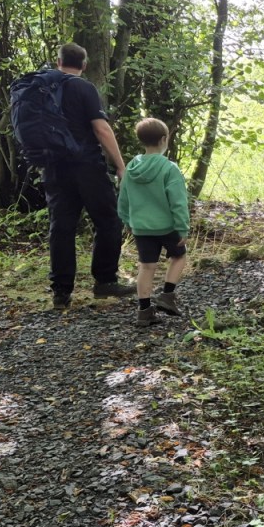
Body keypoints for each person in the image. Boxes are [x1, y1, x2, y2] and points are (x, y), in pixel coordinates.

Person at [43, 43, 135, 309]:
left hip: (53, 167)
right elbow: (101, 129)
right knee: (108, 220)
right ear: (84, 65)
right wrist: (120, 165)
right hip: (86, 166)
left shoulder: (42, 88)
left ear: (58, 61)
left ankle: (61, 291)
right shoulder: (83, 87)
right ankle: (105, 281)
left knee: (61, 226)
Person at [117, 118, 190, 327]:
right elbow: (178, 201)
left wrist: (127, 220)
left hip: (141, 227)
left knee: (146, 267)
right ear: (164, 139)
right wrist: (183, 226)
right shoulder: (169, 168)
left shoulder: (131, 167)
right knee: (179, 256)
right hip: (167, 226)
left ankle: (144, 312)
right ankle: (167, 295)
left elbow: (123, 197)